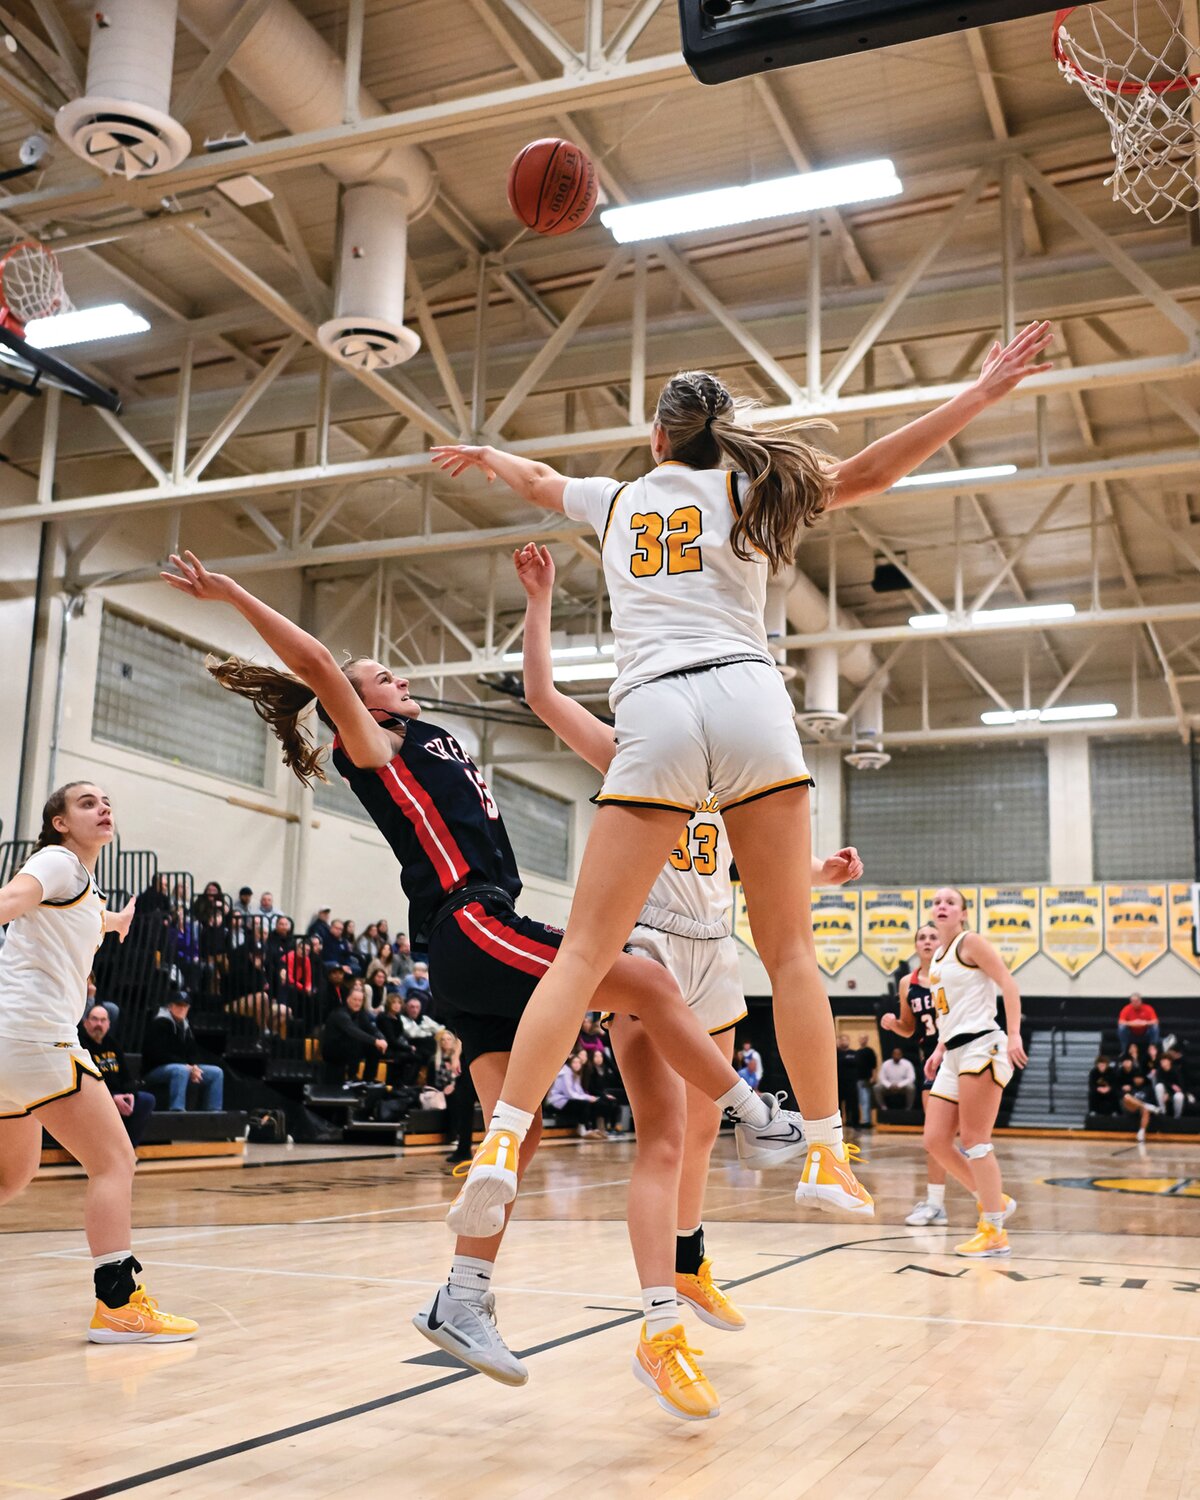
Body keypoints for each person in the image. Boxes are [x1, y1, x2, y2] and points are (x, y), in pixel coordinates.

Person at [432, 322, 1052, 1243]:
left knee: (584, 954)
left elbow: (531, 480)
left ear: (656, 439)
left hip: (653, 714)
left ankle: (501, 1144)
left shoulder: (614, 499)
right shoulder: (755, 484)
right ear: (723, 433)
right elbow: (874, 472)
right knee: (791, 950)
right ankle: (825, 1151)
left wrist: (489, 454)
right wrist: (979, 393)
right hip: (750, 699)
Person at [163, 550, 806, 1394]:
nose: (385, 675)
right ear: (355, 707)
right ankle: (756, 1114)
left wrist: (536, 599)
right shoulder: (375, 747)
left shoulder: (431, 733)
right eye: (372, 678)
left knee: (522, 1127)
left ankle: (460, 1299)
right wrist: (233, 587)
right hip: (471, 923)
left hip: (474, 938)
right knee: (645, 979)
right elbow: (319, 665)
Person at [513, 541, 864, 1417]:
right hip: (650, 947)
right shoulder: (639, 747)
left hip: (715, 944)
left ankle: (690, 1262)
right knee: (663, 1142)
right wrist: (541, 603)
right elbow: (544, 699)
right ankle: (657, 1330)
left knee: (706, 1139)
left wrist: (816, 876)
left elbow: (740, 870)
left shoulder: (736, 773)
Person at [0, 781, 196, 1342]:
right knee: (115, 1162)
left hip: (8, 1048)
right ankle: (118, 1306)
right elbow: (13, 900)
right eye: (86, 803)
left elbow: (88, 918)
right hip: (35, 1039)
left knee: (11, 1177)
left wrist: (117, 923)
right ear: (60, 822)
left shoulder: (83, 887)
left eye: (106, 801)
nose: (103, 807)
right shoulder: (56, 861)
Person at [920, 888, 1027, 1256]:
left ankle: (994, 1229)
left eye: (950, 902)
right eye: (936, 902)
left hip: (983, 1044)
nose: (942, 906)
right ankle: (994, 1198)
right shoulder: (936, 957)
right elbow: (946, 1010)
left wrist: (1014, 1034)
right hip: (952, 1052)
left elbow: (1008, 984)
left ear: (963, 913)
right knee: (934, 1140)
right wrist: (939, 1047)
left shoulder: (971, 942)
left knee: (975, 1139)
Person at [882, 922, 980, 1227]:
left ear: (943, 943)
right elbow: (909, 1027)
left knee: (972, 1137)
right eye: (921, 937)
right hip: (932, 1065)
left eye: (932, 936)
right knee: (934, 1139)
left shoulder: (954, 974)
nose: (926, 941)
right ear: (915, 946)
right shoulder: (906, 983)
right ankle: (936, 1204)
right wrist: (893, 1025)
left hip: (963, 1058)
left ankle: (988, 1199)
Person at [78, 1003, 156, 1147]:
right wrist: (113, 1097)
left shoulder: (113, 1044)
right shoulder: (80, 1045)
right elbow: (87, 1080)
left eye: (103, 1020)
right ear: (86, 1022)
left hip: (117, 1095)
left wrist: (130, 1094)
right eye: (95, 1019)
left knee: (146, 1100)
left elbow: (126, 1076)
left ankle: (128, 1149)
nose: (98, 1024)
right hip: (94, 1096)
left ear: (108, 1024)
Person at [142, 984, 225, 1111]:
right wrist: (187, 1067)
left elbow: (193, 1052)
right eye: (178, 1005)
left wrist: (194, 1067)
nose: (182, 1009)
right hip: (154, 1070)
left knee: (216, 1072)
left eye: (185, 1006)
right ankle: (177, 1110)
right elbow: (157, 1054)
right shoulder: (159, 1023)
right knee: (180, 1070)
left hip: (182, 1067)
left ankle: (214, 1113)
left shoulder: (186, 1027)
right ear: (170, 1006)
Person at [321, 978, 389, 1083]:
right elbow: (352, 1031)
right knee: (357, 1040)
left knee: (374, 1048)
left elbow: (371, 1028)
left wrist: (381, 1038)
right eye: (355, 1000)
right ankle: (352, 1077)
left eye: (360, 1001)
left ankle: (368, 1080)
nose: (357, 1003)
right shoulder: (340, 1013)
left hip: (349, 1047)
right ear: (348, 999)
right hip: (333, 1050)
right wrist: (375, 1041)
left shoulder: (360, 1013)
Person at [547, 1052, 613, 1138]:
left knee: (597, 1102)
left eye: (578, 1062)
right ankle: (583, 1129)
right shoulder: (566, 1073)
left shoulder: (575, 1074)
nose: (577, 1065)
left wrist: (590, 1097)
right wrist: (588, 1098)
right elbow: (570, 1094)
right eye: (574, 1062)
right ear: (570, 1063)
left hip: (567, 1099)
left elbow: (579, 1092)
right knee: (585, 1103)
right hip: (557, 1102)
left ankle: (594, 1128)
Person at [400, 993, 443, 1072]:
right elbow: (412, 1034)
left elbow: (440, 1029)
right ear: (406, 1008)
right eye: (412, 1007)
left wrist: (423, 1030)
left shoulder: (424, 1018)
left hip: (428, 1046)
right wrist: (428, 1031)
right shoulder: (402, 1018)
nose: (415, 1010)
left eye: (417, 1007)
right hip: (413, 1045)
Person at [1121, 1070, 1162, 1143]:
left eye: (1140, 1078)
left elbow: (1152, 1101)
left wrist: (1144, 1106)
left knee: (1146, 1109)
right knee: (1127, 1097)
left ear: (1143, 1079)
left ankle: (1141, 1132)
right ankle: (1146, 1106)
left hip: (1143, 1110)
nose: (1138, 1080)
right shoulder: (1130, 1087)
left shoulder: (1148, 1089)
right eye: (1136, 1078)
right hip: (1132, 1108)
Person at [874, 1048, 916, 1113]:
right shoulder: (886, 1064)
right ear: (892, 1055)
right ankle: (883, 1108)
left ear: (901, 1055)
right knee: (876, 1087)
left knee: (911, 1087)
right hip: (889, 1087)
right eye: (895, 1054)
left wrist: (899, 1085)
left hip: (902, 1087)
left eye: (898, 1054)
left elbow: (911, 1078)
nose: (896, 1056)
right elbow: (881, 1077)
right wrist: (889, 1085)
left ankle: (908, 1109)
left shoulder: (907, 1064)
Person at [855, 1031, 878, 1128]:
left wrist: (873, 1076)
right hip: (857, 1079)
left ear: (867, 1040)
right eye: (861, 1038)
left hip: (866, 1079)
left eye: (864, 1038)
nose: (862, 1040)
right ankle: (864, 1119)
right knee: (861, 1100)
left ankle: (867, 1120)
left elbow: (874, 1065)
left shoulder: (870, 1051)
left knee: (866, 1100)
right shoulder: (857, 1052)